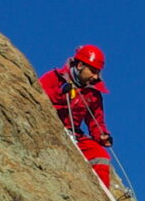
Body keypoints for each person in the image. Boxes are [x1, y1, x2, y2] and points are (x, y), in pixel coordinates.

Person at [39, 44, 114, 187]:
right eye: (92, 71)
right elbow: (37, 97)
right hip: (49, 127)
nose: (95, 76)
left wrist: (102, 136)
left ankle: (103, 196)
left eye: (97, 72)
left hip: (75, 135)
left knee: (101, 156)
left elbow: (96, 121)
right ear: (80, 65)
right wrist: (61, 94)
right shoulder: (54, 78)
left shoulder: (93, 94)